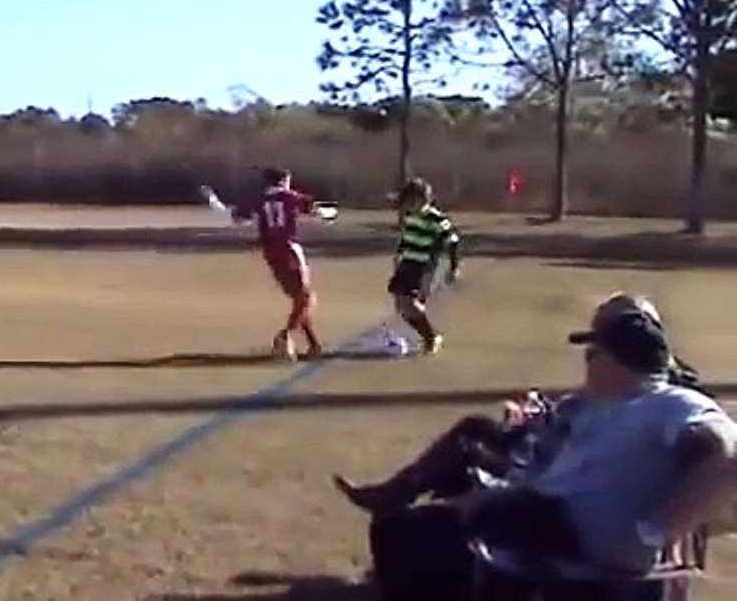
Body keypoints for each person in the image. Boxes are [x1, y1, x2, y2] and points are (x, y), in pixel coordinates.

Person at [340, 300, 737, 600]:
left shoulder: (670, 404)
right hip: (541, 509)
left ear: (618, 362)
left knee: (413, 539)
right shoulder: (604, 405)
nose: (587, 362)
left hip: (567, 529)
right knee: (399, 530)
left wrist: (649, 535)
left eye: (593, 353)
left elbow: (726, 458)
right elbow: (552, 458)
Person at [233, 168, 324, 361]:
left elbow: (239, 217)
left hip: (270, 252)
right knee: (306, 297)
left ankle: (313, 344)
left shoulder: (259, 199)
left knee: (300, 299)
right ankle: (285, 336)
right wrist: (327, 210)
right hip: (289, 248)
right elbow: (315, 209)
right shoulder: (290, 196)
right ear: (283, 181)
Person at [387, 177, 460, 354]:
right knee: (401, 305)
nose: (407, 205)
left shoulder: (435, 218)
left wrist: (454, 266)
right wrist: (399, 254)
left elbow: (453, 240)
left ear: (421, 199)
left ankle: (431, 337)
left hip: (423, 266)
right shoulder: (411, 215)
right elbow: (407, 237)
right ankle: (429, 336)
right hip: (407, 263)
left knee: (410, 304)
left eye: (410, 201)